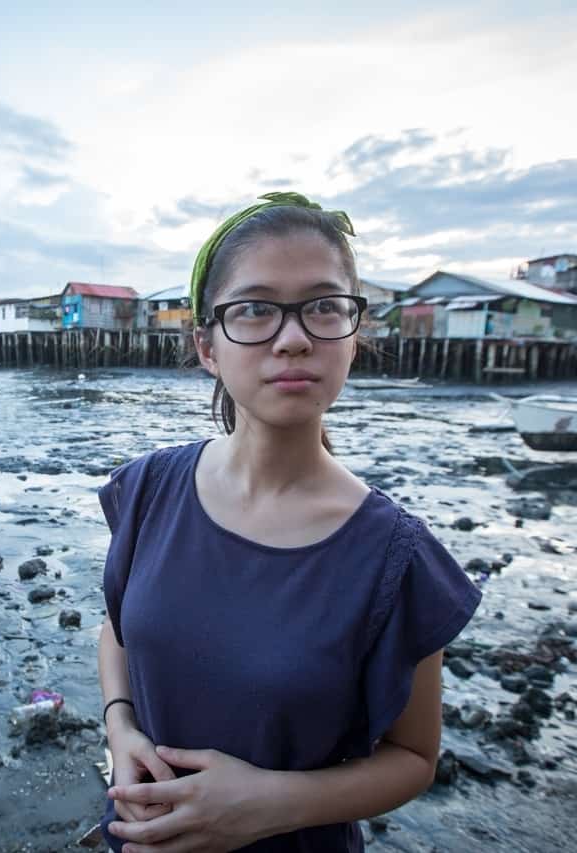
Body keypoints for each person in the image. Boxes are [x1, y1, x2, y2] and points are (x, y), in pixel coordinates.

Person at [95, 192, 482, 853]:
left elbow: (415, 756)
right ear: (207, 347)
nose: (295, 336)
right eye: (255, 309)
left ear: (354, 335)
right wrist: (120, 725)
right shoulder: (149, 487)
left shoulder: (396, 555)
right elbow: (117, 627)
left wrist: (269, 804)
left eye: (325, 305)